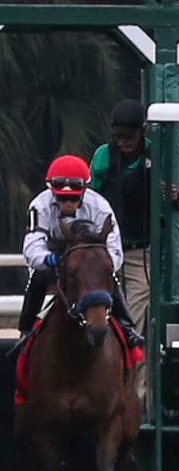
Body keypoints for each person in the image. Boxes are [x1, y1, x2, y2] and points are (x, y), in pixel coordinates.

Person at [19, 155, 134, 343]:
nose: (67, 204)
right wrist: (50, 260)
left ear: (84, 191)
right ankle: (25, 330)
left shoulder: (101, 207)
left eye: (73, 198)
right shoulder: (39, 205)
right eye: (62, 198)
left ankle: (127, 327)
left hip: (90, 265)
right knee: (38, 277)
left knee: (110, 279)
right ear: (52, 192)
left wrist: (100, 266)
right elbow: (32, 246)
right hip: (55, 263)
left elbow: (115, 251)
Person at [89, 98, 179, 330]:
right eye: (118, 136)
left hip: (141, 253)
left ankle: (133, 364)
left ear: (143, 130)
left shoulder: (158, 152)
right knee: (100, 312)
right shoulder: (103, 156)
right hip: (106, 250)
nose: (123, 141)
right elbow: (90, 199)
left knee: (135, 318)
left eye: (128, 136)